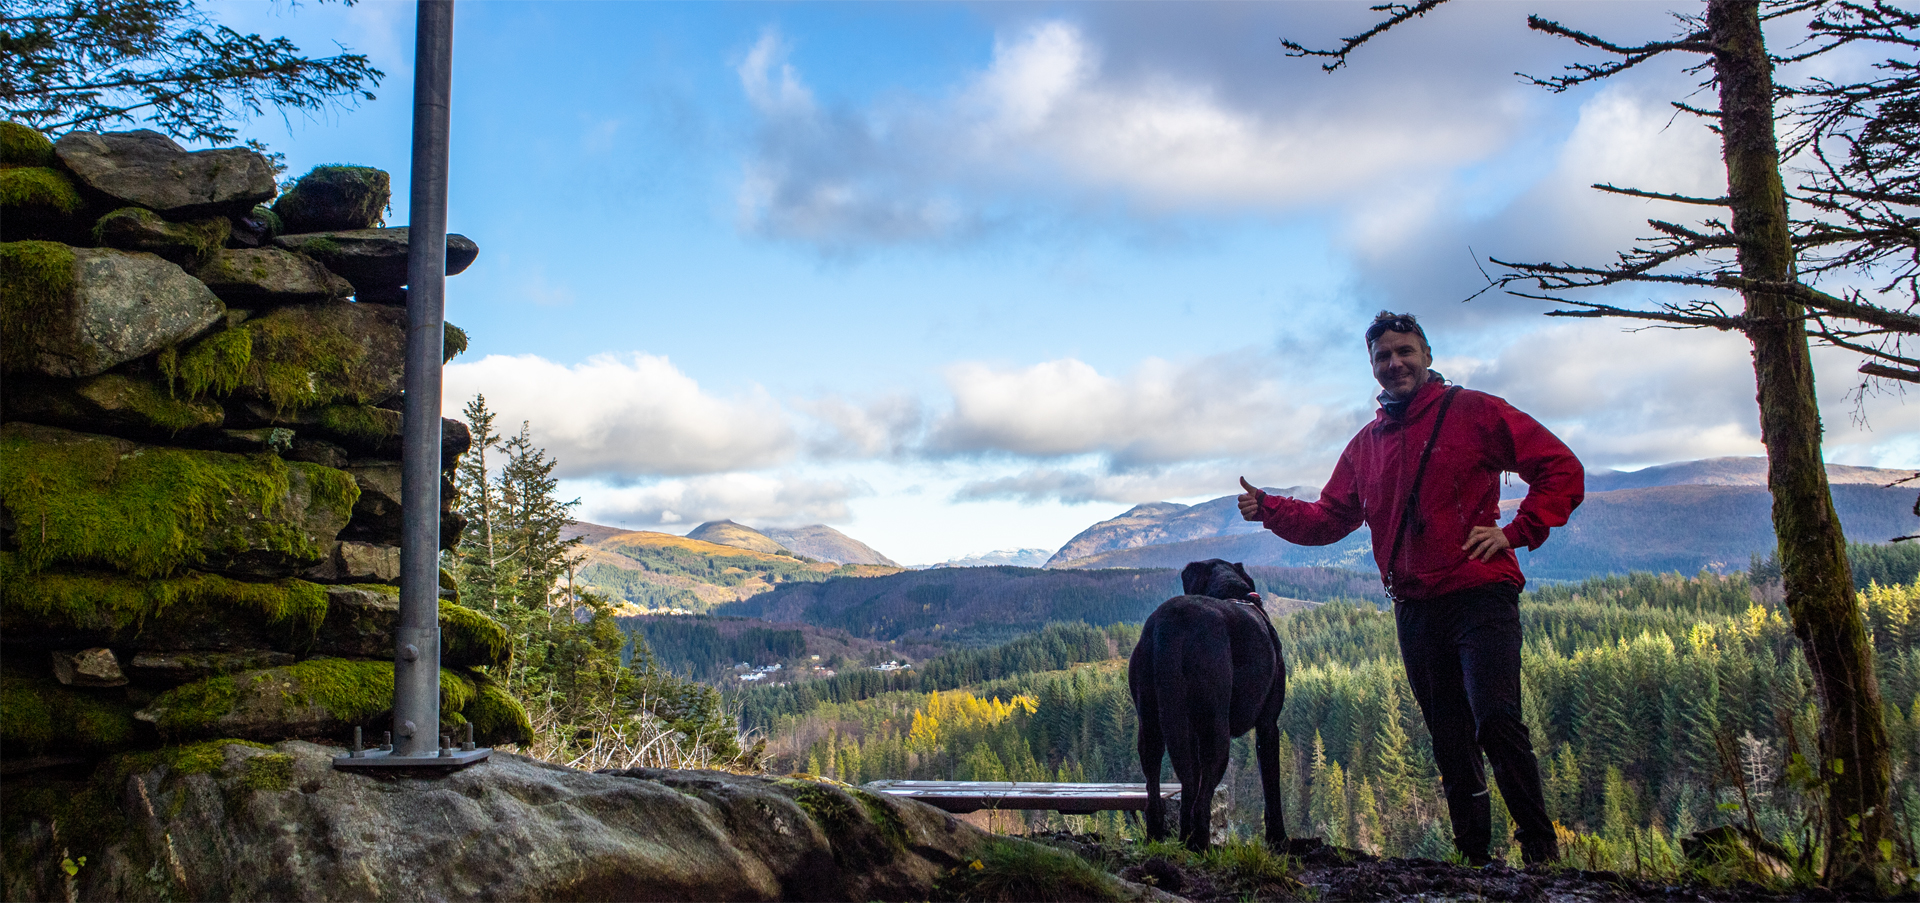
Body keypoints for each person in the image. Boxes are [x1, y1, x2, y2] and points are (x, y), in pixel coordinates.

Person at [1237, 311, 1583, 866]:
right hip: (1416, 607)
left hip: (1480, 593)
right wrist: (1270, 509)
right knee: (1449, 735)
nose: (1394, 363)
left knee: (1495, 719)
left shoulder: (1473, 411)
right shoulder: (1367, 444)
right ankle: (1475, 858)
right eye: (1382, 356)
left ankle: (1541, 853)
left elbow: (1561, 468)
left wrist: (1516, 532)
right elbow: (1331, 518)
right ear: (1372, 366)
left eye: (1404, 351)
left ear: (1426, 355)